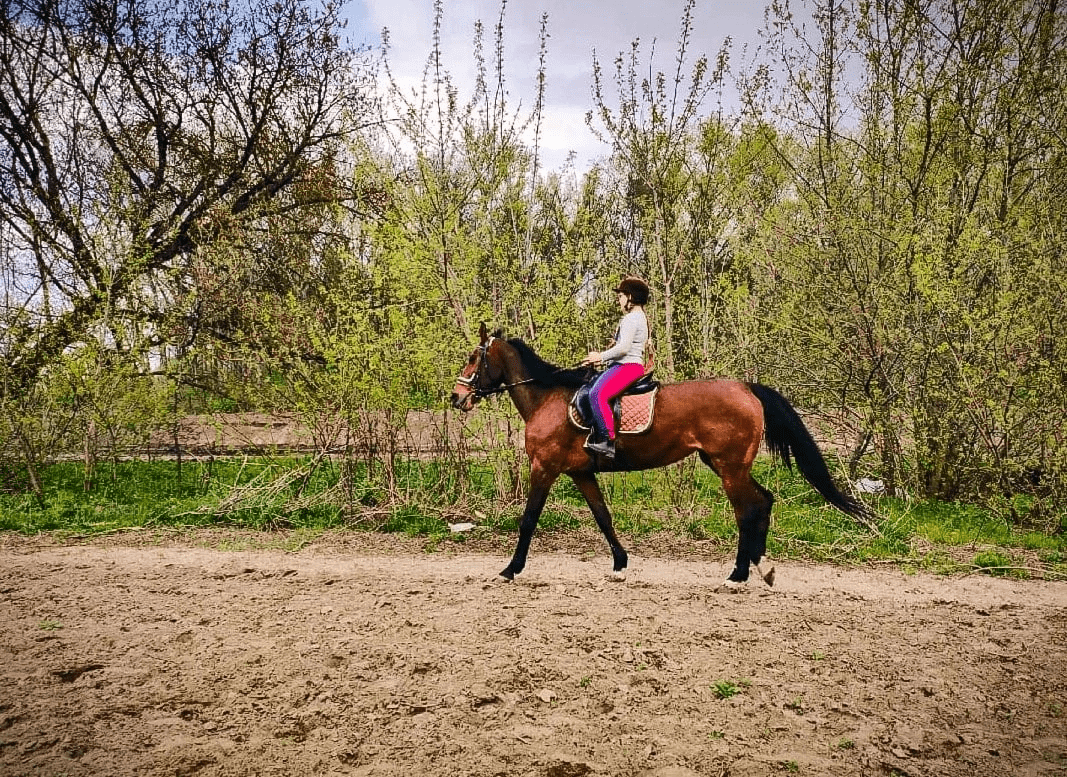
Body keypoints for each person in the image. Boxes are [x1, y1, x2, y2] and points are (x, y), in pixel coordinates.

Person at [580, 276, 650, 458]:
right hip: (630, 365)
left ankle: (607, 439)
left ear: (630, 297)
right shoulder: (641, 318)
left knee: (597, 394)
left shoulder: (631, 319)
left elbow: (624, 348)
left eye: (621, 296)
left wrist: (600, 356)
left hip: (627, 366)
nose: (619, 300)